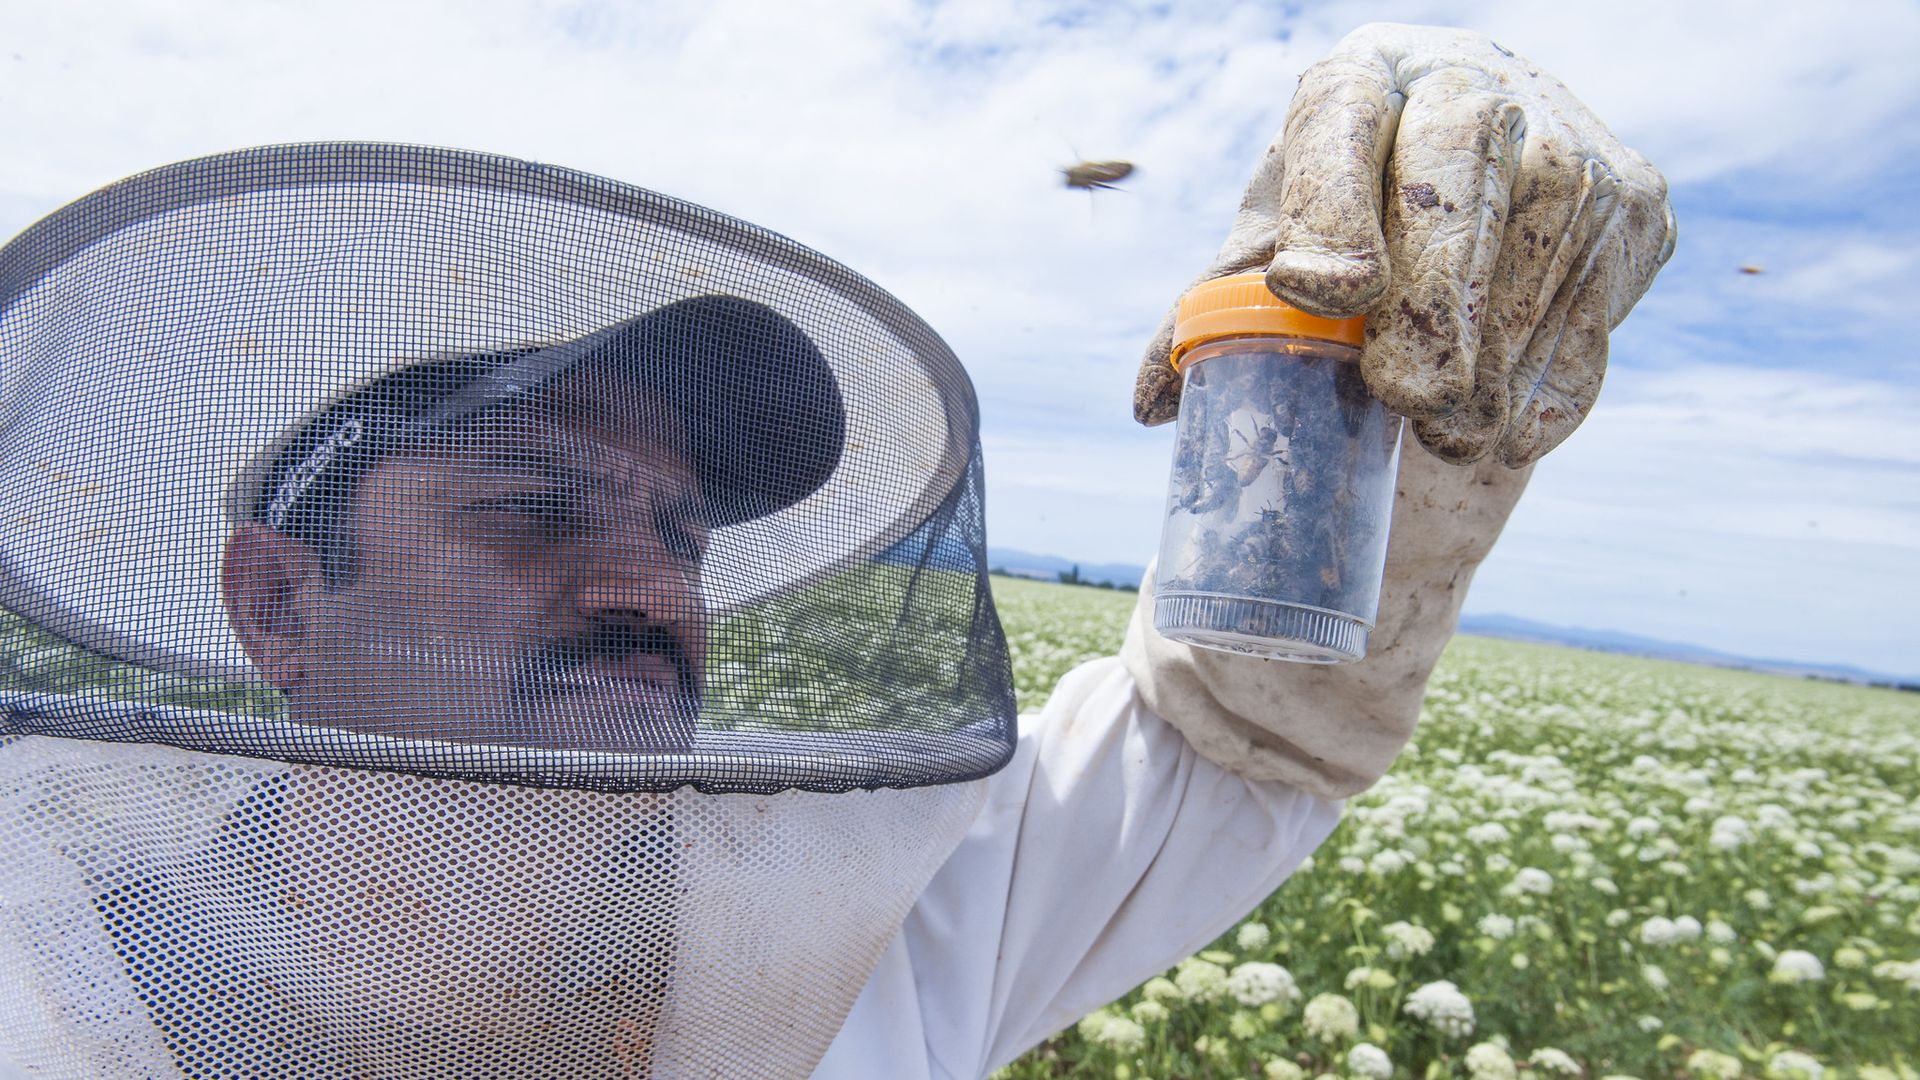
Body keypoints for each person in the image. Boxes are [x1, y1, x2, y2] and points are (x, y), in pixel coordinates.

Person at [0, 23, 1674, 1080]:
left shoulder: (871, 908)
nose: (651, 592)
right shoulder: (45, 990)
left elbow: (1235, 740)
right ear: (274, 600)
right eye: (528, 506)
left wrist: (1389, 426)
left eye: (680, 530)